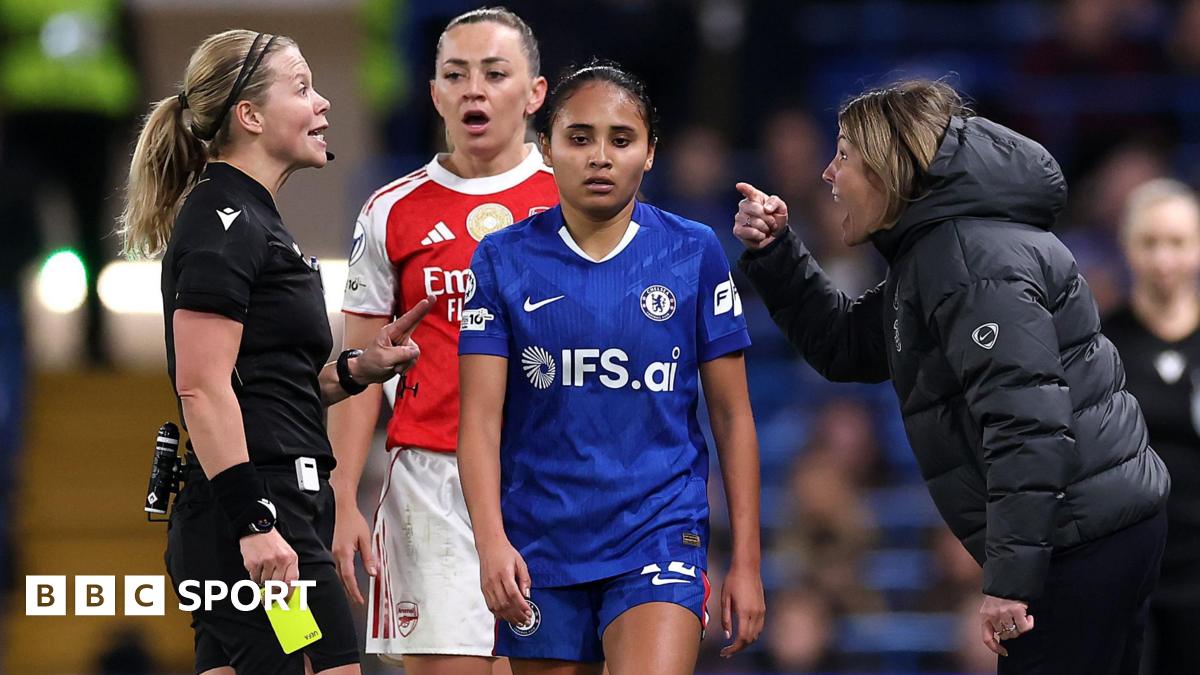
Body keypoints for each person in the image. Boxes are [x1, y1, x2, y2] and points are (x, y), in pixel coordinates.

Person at [733, 79, 1168, 675]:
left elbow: (1027, 426)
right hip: (1084, 526)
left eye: (844, 155)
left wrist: (1010, 580)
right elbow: (847, 347)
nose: (828, 174)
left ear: (888, 168)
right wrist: (778, 253)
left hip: (1081, 534)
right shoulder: (936, 250)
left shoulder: (966, 259)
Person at [118, 29, 430, 675]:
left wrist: (358, 370)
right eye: (302, 88)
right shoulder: (222, 218)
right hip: (260, 518)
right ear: (250, 116)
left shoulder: (253, 219)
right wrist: (255, 524)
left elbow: (266, 385)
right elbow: (202, 386)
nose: (323, 103)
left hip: (265, 513)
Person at [457, 60, 765, 674]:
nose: (600, 156)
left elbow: (733, 418)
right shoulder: (500, 259)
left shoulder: (694, 250)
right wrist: (490, 543)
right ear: (546, 148)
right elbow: (480, 421)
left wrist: (748, 563)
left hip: (659, 531)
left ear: (650, 153)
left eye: (621, 139)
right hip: (540, 541)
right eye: (579, 138)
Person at [327, 7, 555, 673]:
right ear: (434, 93)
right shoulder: (390, 210)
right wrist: (342, 496)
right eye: (456, 75)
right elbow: (357, 369)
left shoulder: (575, 200)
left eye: (495, 73)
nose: (473, 89)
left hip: (549, 476)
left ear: (535, 93)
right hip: (432, 484)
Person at [1105, 179, 1200, 675]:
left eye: (1178, 242)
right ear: (1127, 247)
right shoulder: (1099, 344)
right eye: (1150, 242)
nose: (1164, 258)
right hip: (1126, 564)